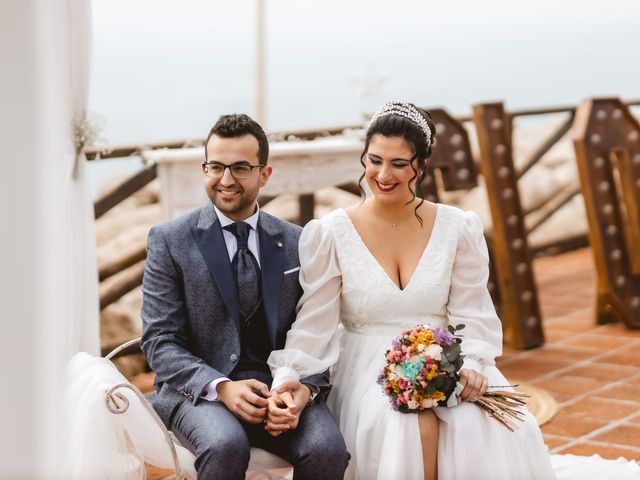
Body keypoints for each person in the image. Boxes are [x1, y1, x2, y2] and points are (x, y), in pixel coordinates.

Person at [267, 101, 556, 479]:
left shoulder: (457, 228)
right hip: (367, 365)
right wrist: (291, 374)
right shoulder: (331, 232)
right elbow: (315, 321)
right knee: (407, 427)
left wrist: (473, 363)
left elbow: (472, 311)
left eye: (399, 164)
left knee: (482, 425)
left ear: (420, 164)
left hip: (448, 355)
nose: (383, 174)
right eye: (374, 160)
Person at [141, 113, 349, 479]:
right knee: (225, 445)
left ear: (264, 174)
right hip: (199, 394)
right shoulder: (170, 240)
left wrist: (304, 389)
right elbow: (159, 341)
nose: (226, 180)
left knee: (327, 449)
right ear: (204, 168)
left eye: (240, 168)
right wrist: (220, 387)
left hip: (280, 389)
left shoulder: (299, 241)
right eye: (215, 167)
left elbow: (318, 328)